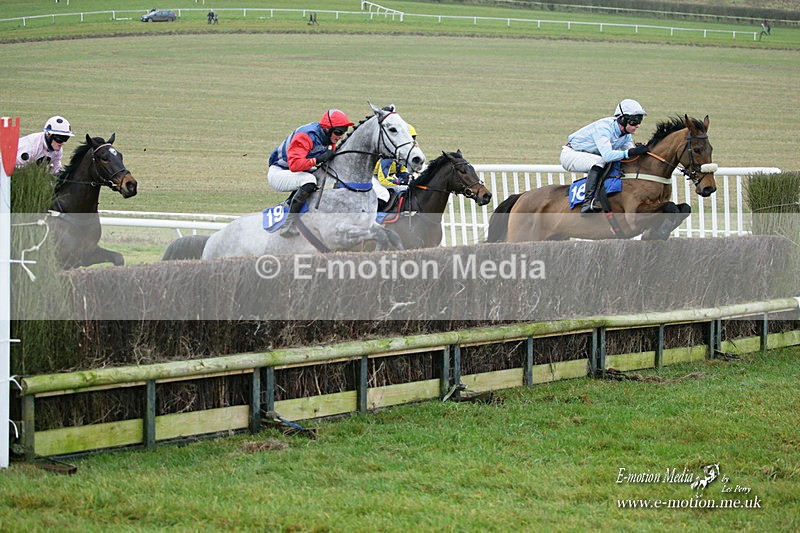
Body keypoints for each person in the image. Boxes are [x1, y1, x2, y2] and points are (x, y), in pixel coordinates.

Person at [267, 109, 354, 237]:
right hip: (280, 172)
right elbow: (295, 165)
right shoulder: (306, 135)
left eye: (344, 132)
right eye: (338, 132)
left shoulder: (329, 139)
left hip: (298, 172)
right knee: (309, 180)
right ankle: (289, 223)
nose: (341, 136)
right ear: (327, 129)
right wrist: (318, 159)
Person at [560, 99, 649, 214]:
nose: (638, 125)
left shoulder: (626, 136)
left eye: (640, 121)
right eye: (634, 121)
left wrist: (640, 151)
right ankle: (588, 202)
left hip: (589, 156)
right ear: (623, 119)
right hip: (571, 154)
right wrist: (630, 152)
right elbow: (607, 156)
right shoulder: (604, 127)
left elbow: (631, 154)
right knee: (601, 161)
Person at [374, 124, 417, 211]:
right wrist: (400, 181)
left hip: (385, 177)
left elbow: (401, 172)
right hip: (372, 178)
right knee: (383, 194)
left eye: (413, 139)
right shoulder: (387, 156)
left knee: (407, 190)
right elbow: (383, 179)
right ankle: (373, 217)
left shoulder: (401, 155)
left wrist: (408, 177)